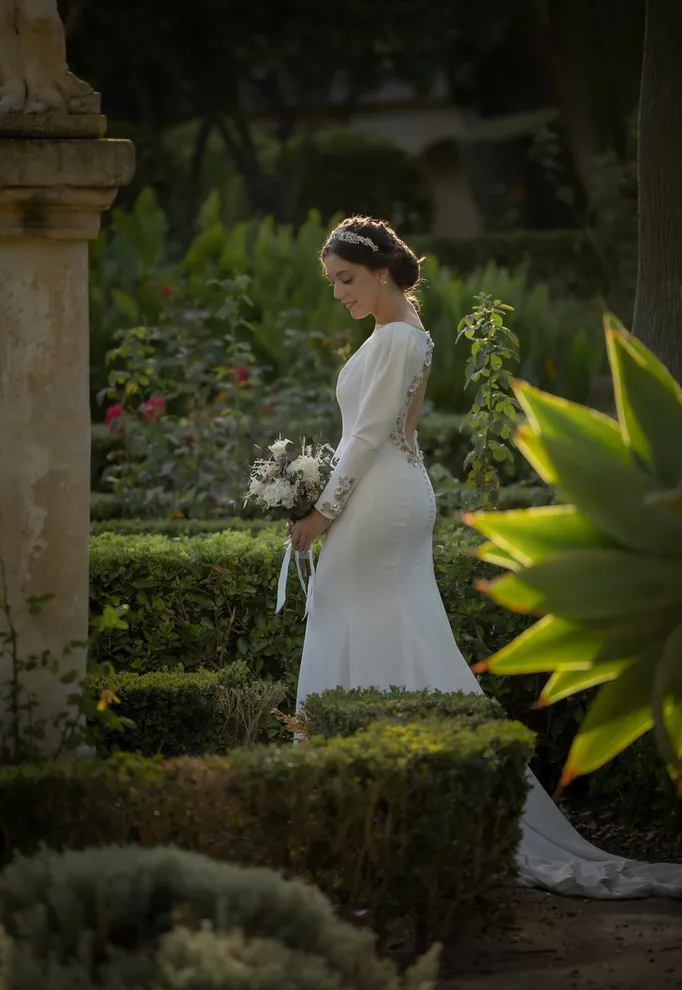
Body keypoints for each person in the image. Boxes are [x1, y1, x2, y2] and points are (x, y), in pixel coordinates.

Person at [288, 215, 682, 899]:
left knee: (359, 619)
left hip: (377, 504)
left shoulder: (400, 338)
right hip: (388, 497)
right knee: (381, 628)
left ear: (381, 270)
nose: (339, 294)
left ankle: (367, 801)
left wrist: (321, 511)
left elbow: (371, 436)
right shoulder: (398, 333)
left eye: (346, 280)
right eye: (333, 285)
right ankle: (379, 797)